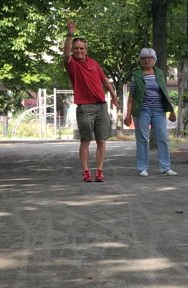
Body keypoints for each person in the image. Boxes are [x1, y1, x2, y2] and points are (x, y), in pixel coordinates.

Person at [63, 20, 119, 182]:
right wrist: (70, 34)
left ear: (86, 50)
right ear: (73, 50)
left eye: (82, 48)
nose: (79, 51)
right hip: (84, 108)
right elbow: (66, 54)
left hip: (101, 106)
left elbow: (105, 80)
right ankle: (86, 171)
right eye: (76, 49)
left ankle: (99, 171)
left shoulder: (94, 63)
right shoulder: (71, 64)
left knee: (101, 140)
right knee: (86, 140)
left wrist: (114, 97)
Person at [124, 48, 177, 177]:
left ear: (154, 60)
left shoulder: (159, 73)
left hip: (159, 110)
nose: (147, 60)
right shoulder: (136, 75)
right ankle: (142, 168)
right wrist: (128, 115)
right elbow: (131, 97)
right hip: (142, 110)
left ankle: (165, 167)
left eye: (150, 57)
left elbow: (165, 92)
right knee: (142, 139)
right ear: (140, 60)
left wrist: (171, 110)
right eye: (144, 58)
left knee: (163, 138)